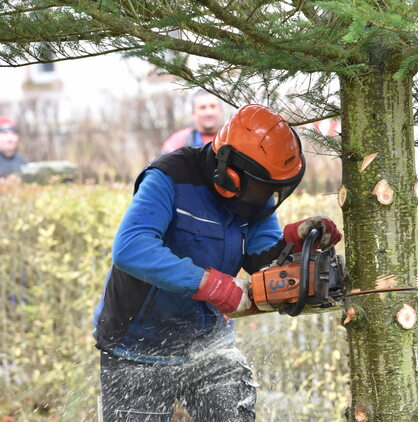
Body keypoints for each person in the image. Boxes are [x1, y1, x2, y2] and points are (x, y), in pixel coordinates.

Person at [93, 104, 342, 421]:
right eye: (264, 188)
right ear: (231, 172)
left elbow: (260, 257)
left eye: (274, 190)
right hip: (137, 348)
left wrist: (292, 243)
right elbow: (131, 248)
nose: (268, 197)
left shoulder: (255, 198)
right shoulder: (169, 177)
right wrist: (209, 284)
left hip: (210, 345)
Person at [161, 89, 225, 154]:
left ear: (220, 111)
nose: (208, 113)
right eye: (202, 107)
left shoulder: (231, 137)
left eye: (213, 106)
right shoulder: (179, 140)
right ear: (193, 113)